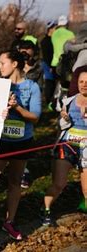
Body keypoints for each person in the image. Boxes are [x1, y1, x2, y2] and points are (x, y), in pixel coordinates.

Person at [0, 50, 42, 240]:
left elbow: (36, 117)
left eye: (2, 63)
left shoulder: (32, 87)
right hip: (0, 141)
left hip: (22, 142)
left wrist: (17, 108)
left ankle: (10, 221)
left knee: (15, 182)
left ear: (15, 64)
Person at [41, 69, 87, 226]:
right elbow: (61, 126)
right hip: (67, 145)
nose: (84, 85)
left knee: (86, 189)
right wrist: (63, 118)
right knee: (59, 184)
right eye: (81, 82)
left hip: (86, 148)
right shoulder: (69, 100)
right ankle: (46, 210)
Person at [40, 21, 58, 107]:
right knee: (49, 83)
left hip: (55, 64)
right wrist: (50, 66)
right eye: (55, 28)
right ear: (50, 29)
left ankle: (53, 101)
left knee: (54, 83)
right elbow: (46, 55)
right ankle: (48, 102)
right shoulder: (45, 41)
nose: (56, 29)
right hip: (48, 65)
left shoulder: (55, 39)